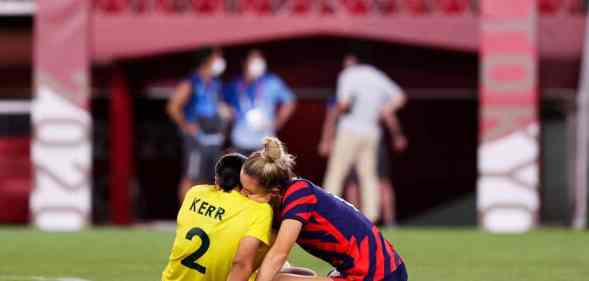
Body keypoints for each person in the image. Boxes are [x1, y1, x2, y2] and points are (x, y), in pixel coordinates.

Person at [239, 137, 408, 281]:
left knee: (275, 278)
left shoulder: (299, 195)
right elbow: (260, 255)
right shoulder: (280, 201)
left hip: (379, 275)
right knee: (273, 272)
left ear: (273, 192)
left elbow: (278, 255)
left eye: (249, 192)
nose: (242, 196)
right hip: (374, 270)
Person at [321, 54, 406, 222]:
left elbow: (344, 104)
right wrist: (384, 110)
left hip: (350, 130)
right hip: (372, 132)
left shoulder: (347, 75)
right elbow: (400, 97)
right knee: (369, 176)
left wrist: (333, 121)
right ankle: (371, 215)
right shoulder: (376, 75)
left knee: (337, 172)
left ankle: (326, 212)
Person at [161, 153, 272, 281]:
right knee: (277, 269)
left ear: (217, 179)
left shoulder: (195, 192)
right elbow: (242, 264)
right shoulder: (258, 209)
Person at [167, 47, 232, 201]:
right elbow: (172, 107)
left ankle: (201, 216)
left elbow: (216, 106)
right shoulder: (191, 82)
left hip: (213, 138)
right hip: (196, 138)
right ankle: (184, 217)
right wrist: (186, 125)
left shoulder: (216, 83)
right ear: (207, 60)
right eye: (217, 58)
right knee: (191, 177)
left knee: (209, 179)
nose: (220, 62)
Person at [224, 50, 297, 156]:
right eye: (254, 60)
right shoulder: (235, 84)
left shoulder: (272, 81)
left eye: (260, 60)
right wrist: (229, 114)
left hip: (264, 142)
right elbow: (221, 102)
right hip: (240, 141)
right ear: (245, 63)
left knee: (264, 172)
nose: (258, 64)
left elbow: (290, 101)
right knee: (240, 171)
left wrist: (277, 123)